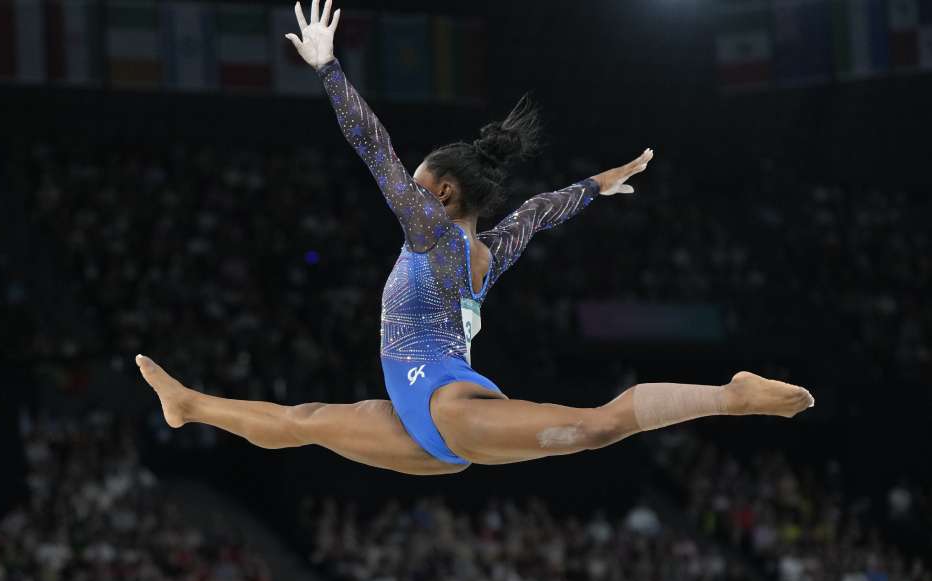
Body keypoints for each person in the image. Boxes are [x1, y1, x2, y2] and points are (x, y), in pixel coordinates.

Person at [136, 0, 813, 476]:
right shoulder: (487, 250)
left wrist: (328, 70)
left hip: (442, 404)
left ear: (440, 194)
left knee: (595, 427)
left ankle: (732, 394)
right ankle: (188, 405)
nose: (411, 188)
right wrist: (598, 185)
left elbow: (375, 149)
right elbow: (541, 211)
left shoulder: (429, 232)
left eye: (421, 182)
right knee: (301, 422)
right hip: (423, 426)